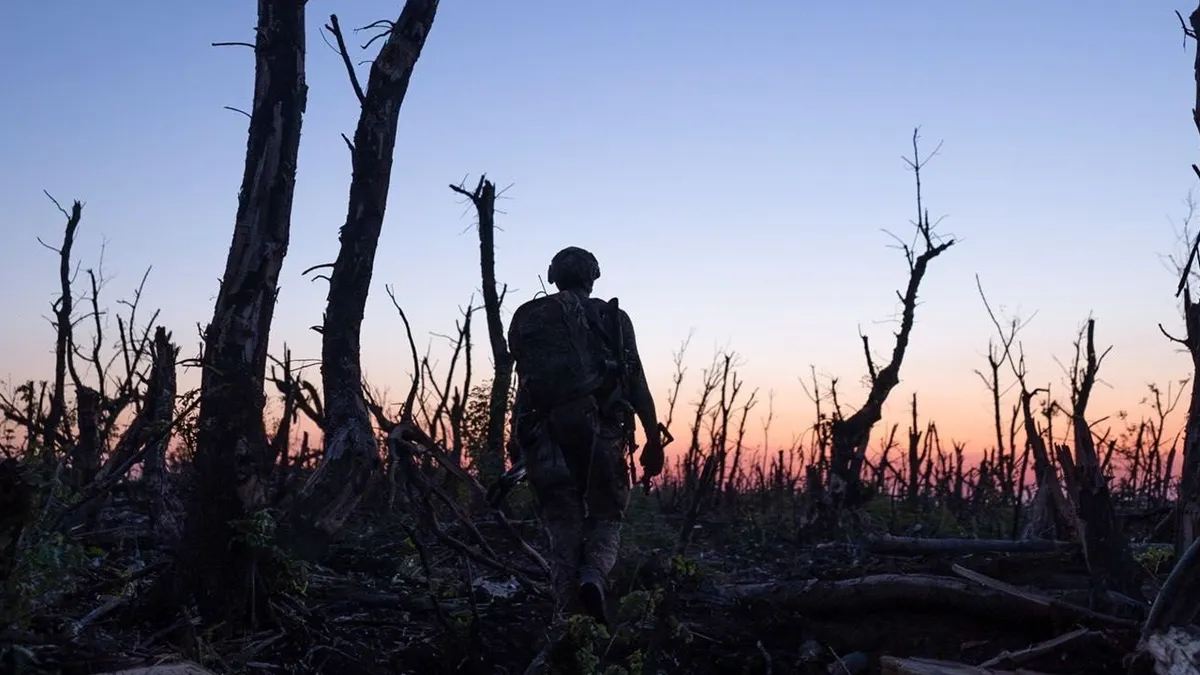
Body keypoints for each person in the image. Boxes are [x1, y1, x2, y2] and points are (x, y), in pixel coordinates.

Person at [506, 246, 663, 625]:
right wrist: (653, 439)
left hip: (543, 434)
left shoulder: (528, 317)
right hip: (601, 432)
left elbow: (524, 386)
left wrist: (516, 440)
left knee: (562, 519)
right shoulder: (613, 317)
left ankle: (565, 613)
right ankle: (593, 573)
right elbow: (635, 380)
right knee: (607, 515)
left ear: (552, 275)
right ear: (593, 277)